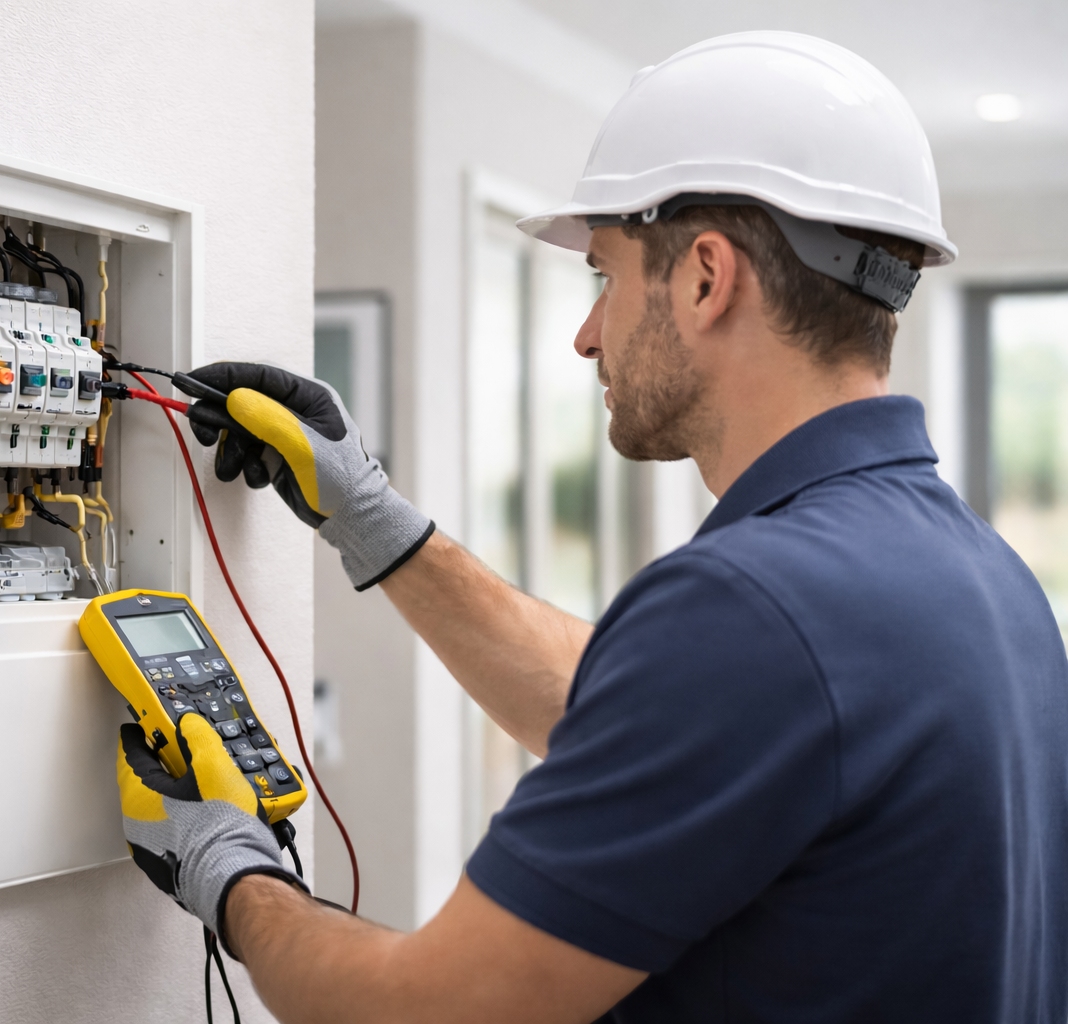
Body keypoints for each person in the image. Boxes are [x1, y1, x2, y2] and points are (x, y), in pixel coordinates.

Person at [113, 31, 1068, 1023]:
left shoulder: (751, 612)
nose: (586, 334)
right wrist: (373, 521)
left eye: (604, 276)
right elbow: (646, 712)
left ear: (707, 277)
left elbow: (428, 1009)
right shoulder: (986, 582)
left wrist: (234, 877)